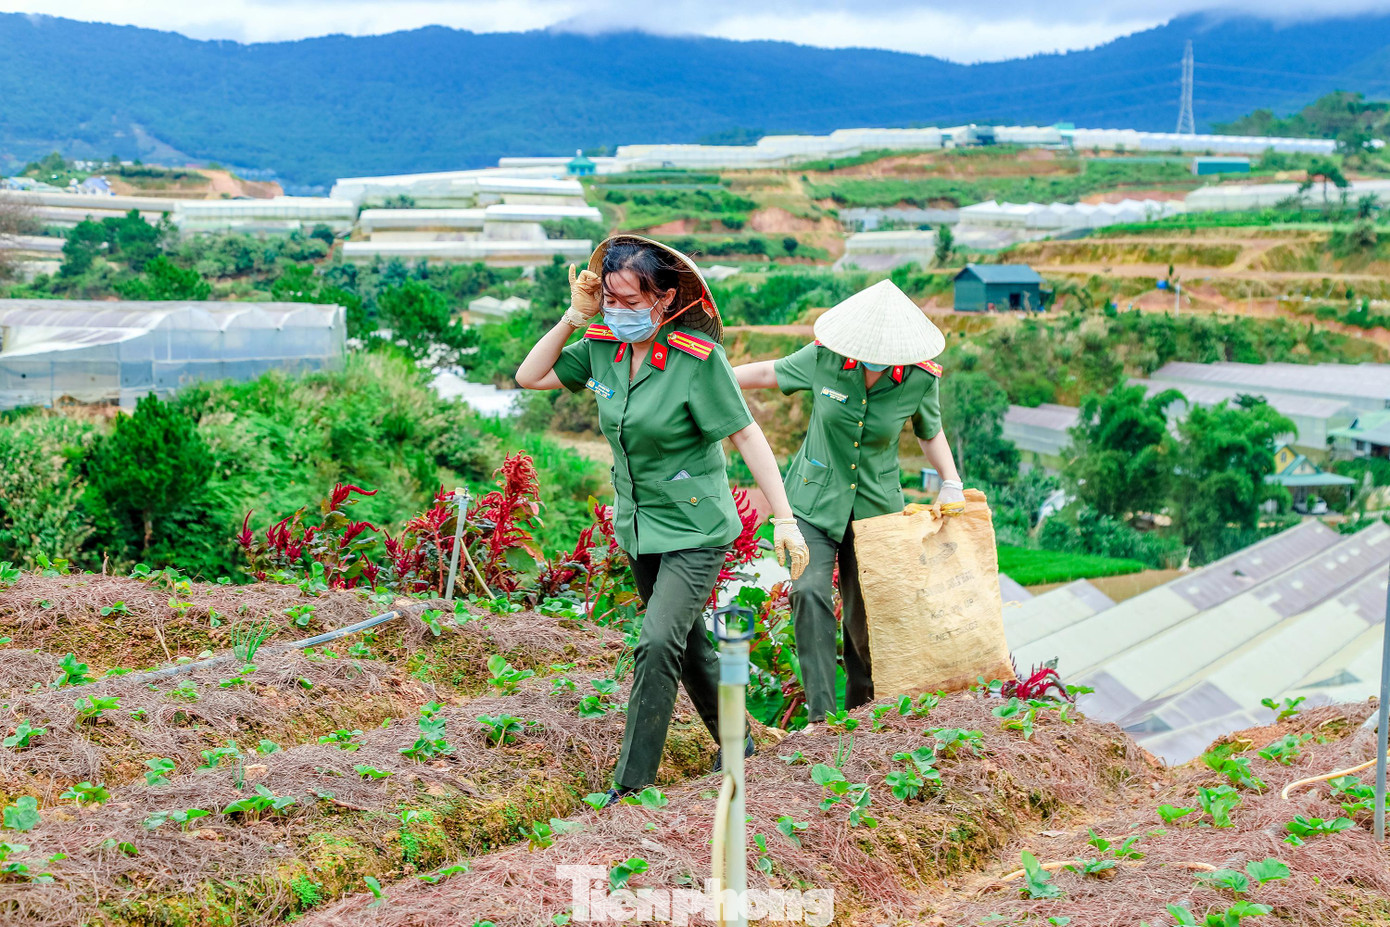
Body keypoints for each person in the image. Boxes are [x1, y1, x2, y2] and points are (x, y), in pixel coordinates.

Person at [516, 234, 810, 803]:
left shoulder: (695, 360)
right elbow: (530, 376)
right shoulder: (601, 346)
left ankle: (632, 788)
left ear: (665, 298)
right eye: (611, 300)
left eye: (632, 301)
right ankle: (738, 742)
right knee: (685, 639)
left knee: (654, 643)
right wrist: (572, 318)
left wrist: (786, 518)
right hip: (639, 524)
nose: (619, 312)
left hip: (696, 528)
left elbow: (747, 434)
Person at [732, 279, 965, 725]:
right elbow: (768, 373)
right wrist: (710, 374)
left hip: (877, 512)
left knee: (867, 620)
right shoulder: (824, 358)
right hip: (812, 504)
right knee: (807, 591)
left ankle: (865, 714)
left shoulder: (918, 377)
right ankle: (822, 718)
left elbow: (929, 431)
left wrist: (951, 481)